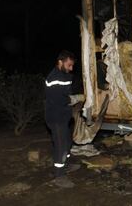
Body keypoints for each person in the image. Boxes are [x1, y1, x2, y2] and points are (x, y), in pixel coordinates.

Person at [45, 50, 81, 188]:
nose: (71, 68)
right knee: (60, 145)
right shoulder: (54, 78)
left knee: (67, 142)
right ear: (60, 62)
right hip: (55, 117)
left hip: (63, 116)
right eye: (69, 65)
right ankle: (59, 175)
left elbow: (65, 94)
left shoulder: (64, 76)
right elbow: (58, 99)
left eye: (72, 65)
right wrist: (74, 99)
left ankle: (66, 165)